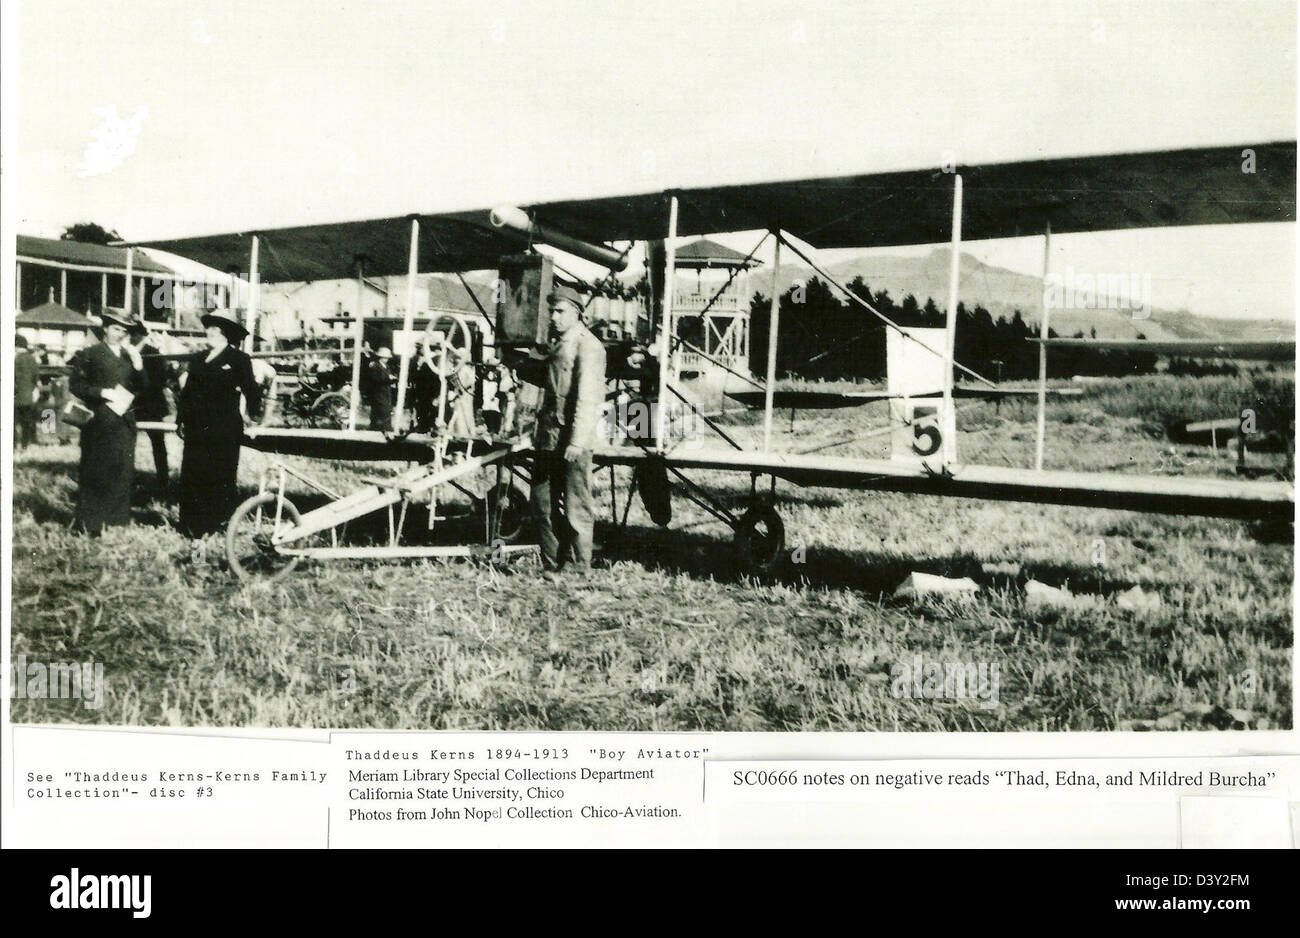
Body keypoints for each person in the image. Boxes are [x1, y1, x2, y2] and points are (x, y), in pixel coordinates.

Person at [531, 289, 606, 573]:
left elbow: (588, 398)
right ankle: (552, 565)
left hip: (573, 440)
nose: (553, 317)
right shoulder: (559, 343)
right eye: (551, 311)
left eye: (560, 311)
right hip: (548, 437)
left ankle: (580, 568)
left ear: (577, 312)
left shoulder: (588, 346)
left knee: (576, 506)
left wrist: (576, 441)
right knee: (541, 503)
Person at [176, 309, 261, 538]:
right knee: (193, 473)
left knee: (219, 474)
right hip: (196, 427)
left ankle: (218, 522)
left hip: (224, 428)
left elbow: (252, 390)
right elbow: (187, 393)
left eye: (216, 329)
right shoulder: (197, 359)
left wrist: (254, 416)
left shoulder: (239, 359)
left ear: (227, 334)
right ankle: (190, 524)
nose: (210, 333)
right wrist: (181, 420)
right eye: (209, 328)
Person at [68, 309, 149, 534]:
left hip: (124, 422)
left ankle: (116, 521)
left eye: (123, 330)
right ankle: (90, 523)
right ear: (105, 328)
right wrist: (102, 392)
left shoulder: (129, 355)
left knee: (121, 471)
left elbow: (144, 387)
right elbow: (75, 385)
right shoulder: (90, 353)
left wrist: (139, 364)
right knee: (95, 471)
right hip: (99, 421)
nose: (119, 334)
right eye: (115, 328)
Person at [129, 321, 174, 497]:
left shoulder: (152, 353)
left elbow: (160, 380)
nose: (131, 338)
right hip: (132, 404)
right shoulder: (127, 352)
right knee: (128, 441)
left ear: (141, 335)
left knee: (158, 442)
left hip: (151, 404)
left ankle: (163, 478)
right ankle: (128, 476)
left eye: (134, 334)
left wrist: (140, 392)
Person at [13, 335, 40, 449]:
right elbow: (36, 377)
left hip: (16, 396)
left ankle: (13, 445)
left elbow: (13, 378)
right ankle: (25, 444)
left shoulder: (16, 359)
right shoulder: (32, 358)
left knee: (12, 423)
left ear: (17, 346)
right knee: (26, 423)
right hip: (29, 396)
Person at [363, 346, 396, 430]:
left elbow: (387, 378)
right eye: (384, 357)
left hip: (386, 392)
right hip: (378, 392)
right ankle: (385, 427)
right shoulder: (375, 366)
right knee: (382, 410)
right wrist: (389, 379)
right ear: (380, 357)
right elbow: (376, 379)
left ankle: (378, 427)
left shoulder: (386, 367)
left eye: (387, 358)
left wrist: (393, 379)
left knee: (384, 409)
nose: (386, 359)